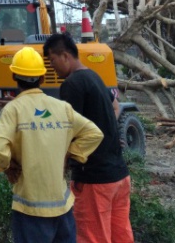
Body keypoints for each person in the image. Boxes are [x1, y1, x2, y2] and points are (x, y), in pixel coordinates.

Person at [0, 47, 103, 243]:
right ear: (42, 77)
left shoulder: (13, 109)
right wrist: (69, 154)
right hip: (63, 206)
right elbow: (94, 133)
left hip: (30, 208)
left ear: (14, 75)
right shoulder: (62, 108)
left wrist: (7, 166)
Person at [43, 32, 134, 243]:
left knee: (92, 237)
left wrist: (60, 168)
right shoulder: (94, 76)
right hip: (119, 176)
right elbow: (115, 106)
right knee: (122, 236)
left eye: (52, 60)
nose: (51, 67)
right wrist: (107, 131)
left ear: (65, 56)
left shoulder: (72, 84)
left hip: (94, 180)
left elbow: (68, 133)